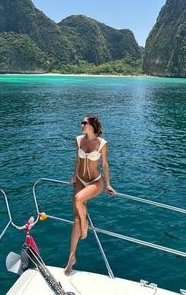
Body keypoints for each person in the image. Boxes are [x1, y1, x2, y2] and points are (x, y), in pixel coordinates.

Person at [64, 115, 116, 275]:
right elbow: (77, 161)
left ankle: (85, 226)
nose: (81, 124)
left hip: (95, 181)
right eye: (82, 122)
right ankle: (71, 258)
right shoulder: (79, 140)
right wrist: (73, 177)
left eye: (84, 122)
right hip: (80, 179)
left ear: (92, 126)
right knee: (76, 219)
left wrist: (107, 184)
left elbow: (105, 165)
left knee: (78, 199)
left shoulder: (102, 144)